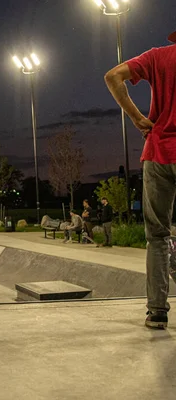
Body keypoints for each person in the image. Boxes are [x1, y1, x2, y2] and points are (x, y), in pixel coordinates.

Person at [105, 30, 176, 328]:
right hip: (159, 152)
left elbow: (113, 76)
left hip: (159, 151)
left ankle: (157, 311)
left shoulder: (159, 56)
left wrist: (136, 117)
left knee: (157, 235)